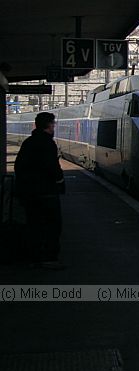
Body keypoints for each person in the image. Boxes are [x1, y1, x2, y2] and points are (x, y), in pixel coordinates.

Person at [14, 112, 65, 269]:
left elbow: (18, 167)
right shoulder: (48, 143)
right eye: (53, 124)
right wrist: (59, 180)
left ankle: (34, 257)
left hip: (29, 193)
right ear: (49, 125)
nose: (54, 127)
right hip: (46, 192)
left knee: (33, 225)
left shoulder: (28, 142)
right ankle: (49, 258)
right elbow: (52, 168)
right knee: (52, 225)